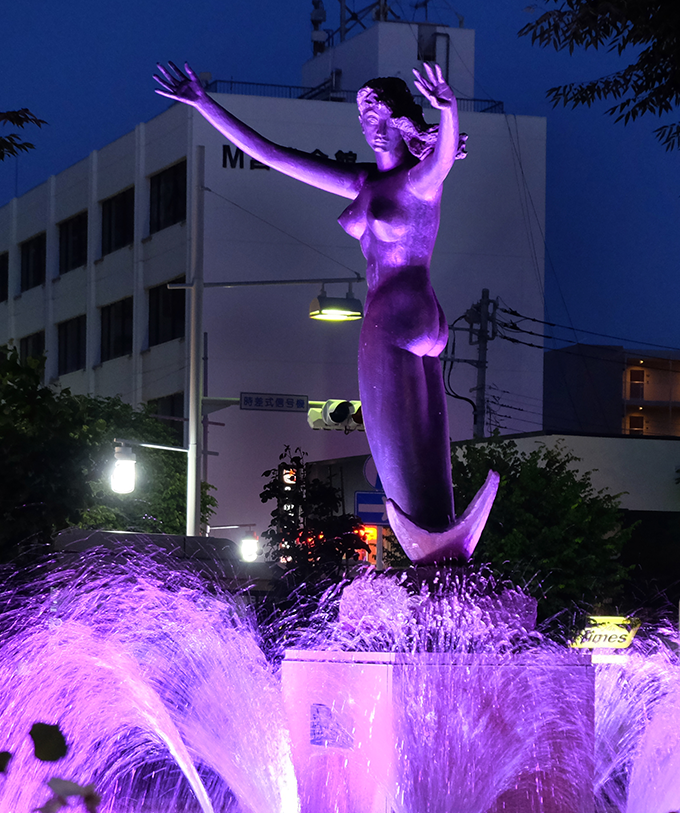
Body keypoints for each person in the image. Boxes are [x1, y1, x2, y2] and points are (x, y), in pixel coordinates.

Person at [152, 60, 499, 562]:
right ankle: (446, 553)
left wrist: (449, 112)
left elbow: (444, 155)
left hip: (392, 315)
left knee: (396, 447)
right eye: (364, 120)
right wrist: (206, 106)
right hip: (421, 315)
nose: (371, 129)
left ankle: (435, 558)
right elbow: (275, 156)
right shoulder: (364, 182)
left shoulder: (420, 181)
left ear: (401, 121)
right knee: (425, 444)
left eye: (379, 118)